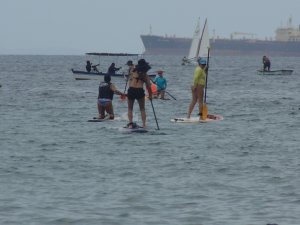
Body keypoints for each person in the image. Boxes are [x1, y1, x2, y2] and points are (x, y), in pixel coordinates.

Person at [126, 59, 152, 128]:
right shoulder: (145, 75)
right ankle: (144, 124)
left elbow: (129, 79)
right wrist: (150, 96)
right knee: (142, 109)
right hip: (140, 90)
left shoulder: (132, 72)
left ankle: (130, 123)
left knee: (130, 108)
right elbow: (149, 87)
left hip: (131, 90)